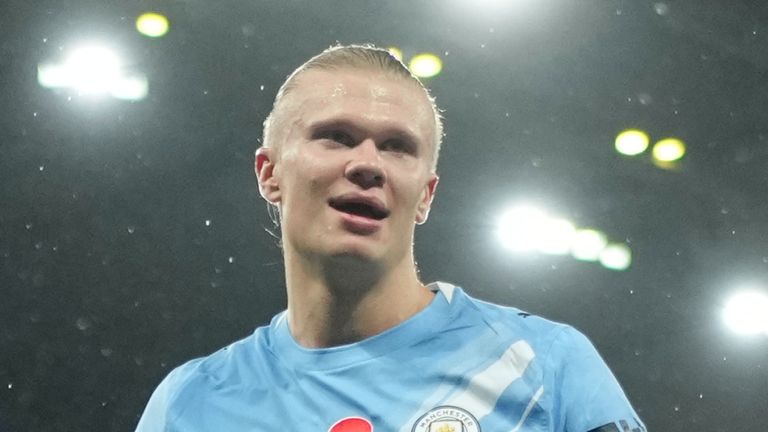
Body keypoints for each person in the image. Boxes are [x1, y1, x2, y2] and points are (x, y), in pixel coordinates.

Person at [136, 44, 646, 432]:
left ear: (426, 195)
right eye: (335, 136)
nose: (366, 165)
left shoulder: (543, 366)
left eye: (398, 147)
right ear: (269, 173)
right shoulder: (190, 403)